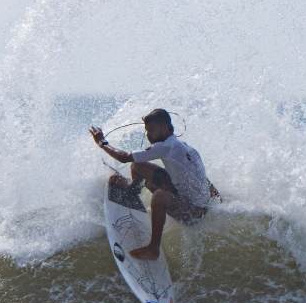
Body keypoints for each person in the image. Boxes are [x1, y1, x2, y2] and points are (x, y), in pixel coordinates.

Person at [89, 108, 219, 260]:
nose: (148, 135)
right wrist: (218, 199)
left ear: (164, 127)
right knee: (138, 166)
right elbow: (203, 179)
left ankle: (153, 249)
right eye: (147, 131)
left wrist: (102, 142)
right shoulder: (183, 146)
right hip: (188, 200)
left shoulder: (166, 147)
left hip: (193, 213)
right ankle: (133, 190)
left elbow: (124, 157)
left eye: (151, 130)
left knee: (159, 197)